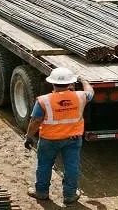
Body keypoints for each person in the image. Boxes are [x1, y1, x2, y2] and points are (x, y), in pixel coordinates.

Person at [24, 67, 94, 204]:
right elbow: (90, 92)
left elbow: (36, 121)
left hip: (49, 140)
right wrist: (84, 80)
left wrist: (29, 136)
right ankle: (70, 195)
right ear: (70, 83)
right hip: (73, 139)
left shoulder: (44, 100)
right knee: (71, 166)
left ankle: (41, 192)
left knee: (44, 165)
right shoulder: (80, 96)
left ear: (52, 82)